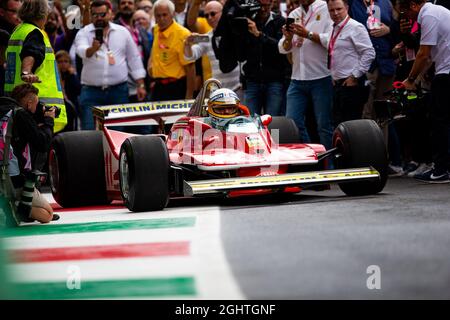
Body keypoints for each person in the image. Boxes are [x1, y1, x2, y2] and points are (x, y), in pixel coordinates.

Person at [73, 0, 147, 130]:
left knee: (117, 131)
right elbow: (81, 51)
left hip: (118, 91)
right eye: (95, 15)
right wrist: (93, 49)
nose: (99, 18)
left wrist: (140, 84)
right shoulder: (83, 32)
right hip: (91, 92)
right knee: (89, 132)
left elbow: (134, 58)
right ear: (90, 15)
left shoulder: (122, 32)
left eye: (102, 14)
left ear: (110, 13)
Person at [401, 0, 450, 183]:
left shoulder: (428, 14)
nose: (408, 17)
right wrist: (413, 78)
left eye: (406, 11)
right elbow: (428, 57)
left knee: (439, 122)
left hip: (447, 72)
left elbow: (422, 53)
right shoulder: (438, 11)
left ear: (413, 5)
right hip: (444, 69)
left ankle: (441, 170)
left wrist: (411, 79)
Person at [3, 0, 68, 133]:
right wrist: (26, 72)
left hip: (16, 104)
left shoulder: (18, 31)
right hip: (36, 107)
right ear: (43, 14)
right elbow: (31, 53)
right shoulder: (35, 33)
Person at [278, 0, 334, 149]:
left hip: (321, 77)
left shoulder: (326, 9)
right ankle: (311, 156)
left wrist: (307, 34)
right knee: (292, 123)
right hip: (297, 79)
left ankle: (329, 166)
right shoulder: (294, 14)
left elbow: (331, 41)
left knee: (324, 126)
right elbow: (283, 48)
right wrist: (289, 38)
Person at [8, 83, 58, 223]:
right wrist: (49, 121)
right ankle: (12, 207)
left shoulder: (6, 113)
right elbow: (43, 144)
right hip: (16, 180)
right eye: (36, 103)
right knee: (46, 214)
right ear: (29, 103)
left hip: (3, 176)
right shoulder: (21, 114)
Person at [327, 0, 375, 125]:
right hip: (338, 85)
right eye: (332, 10)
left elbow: (369, 53)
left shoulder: (355, 27)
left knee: (351, 128)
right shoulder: (334, 28)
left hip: (352, 85)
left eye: (339, 9)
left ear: (347, 8)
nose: (335, 13)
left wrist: (355, 76)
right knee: (340, 127)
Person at [183, 1, 241, 92]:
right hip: (218, 91)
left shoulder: (236, 32)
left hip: (238, 88)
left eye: (213, 14)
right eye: (206, 15)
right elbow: (190, 57)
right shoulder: (207, 37)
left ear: (223, 12)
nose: (210, 18)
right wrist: (187, 44)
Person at [148, 0, 194, 101]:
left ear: (172, 14)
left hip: (176, 87)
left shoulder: (183, 34)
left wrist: (189, 96)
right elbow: (154, 50)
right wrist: (150, 64)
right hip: (158, 86)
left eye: (165, 15)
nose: (161, 19)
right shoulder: (156, 29)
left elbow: (190, 67)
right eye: (158, 15)